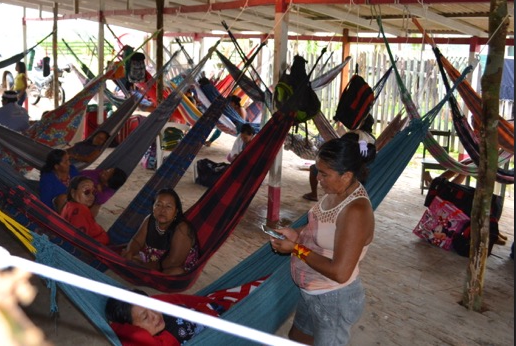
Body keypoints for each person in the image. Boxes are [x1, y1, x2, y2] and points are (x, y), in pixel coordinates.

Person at [269, 134, 376, 346]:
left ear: (346, 176)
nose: (318, 178)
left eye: (324, 174)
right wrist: (296, 232)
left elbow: (340, 272)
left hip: (334, 299)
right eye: (318, 171)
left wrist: (296, 248)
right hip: (311, 292)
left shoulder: (355, 211)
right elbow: (320, 226)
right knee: (297, 338)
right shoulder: (334, 192)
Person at [105, 277, 265, 346]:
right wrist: (116, 326)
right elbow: (129, 337)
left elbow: (187, 299)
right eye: (146, 317)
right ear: (132, 327)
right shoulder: (159, 342)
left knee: (264, 287)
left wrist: (217, 304)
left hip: (219, 308)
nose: (155, 315)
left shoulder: (158, 303)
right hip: (228, 330)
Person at [121, 188, 199, 275]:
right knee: (127, 254)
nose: (162, 210)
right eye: (158, 205)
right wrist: (130, 252)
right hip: (150, 260)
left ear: (176, 211)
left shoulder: (182, 229)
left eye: (168, 206)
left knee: (175, 273)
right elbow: (137, 241)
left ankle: (145, 272)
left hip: (171, 266)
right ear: (153, 207)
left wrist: (147, 266)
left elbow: (173, 262)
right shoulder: (150, 219)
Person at [303, 114, 376, 202]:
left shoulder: (354, 134)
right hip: (357, 167)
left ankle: (313, 194)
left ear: (360, 123)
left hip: (343, 164)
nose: (318, 177)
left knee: (314, 169)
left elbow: (339, 151)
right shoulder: (372, 139)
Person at [56, 175, 109, 245]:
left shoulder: (69, 205)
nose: (92, 196)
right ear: (73, 193)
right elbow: (81, 242)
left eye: (93, 192)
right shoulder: (80, 210)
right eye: (86, 192)